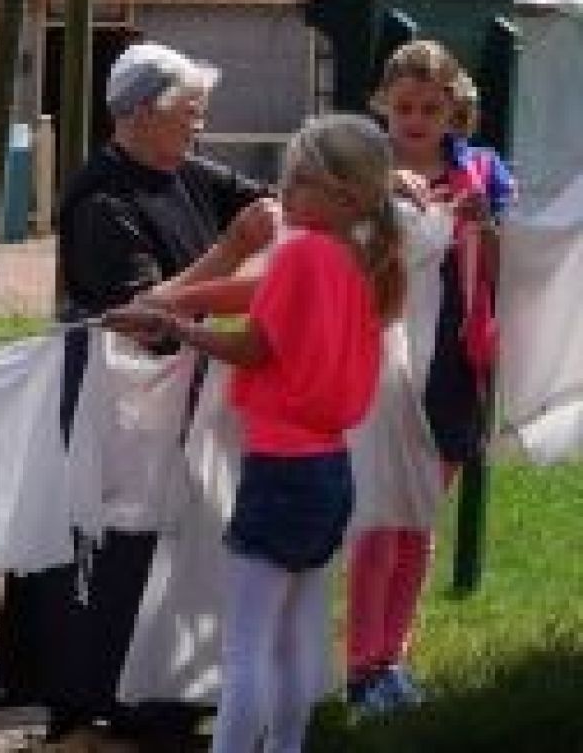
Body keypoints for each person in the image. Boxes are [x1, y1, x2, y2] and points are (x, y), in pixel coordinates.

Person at [0, 42, 272, 747]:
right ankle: (93, 702)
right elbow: (142, 317)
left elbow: (265, 199)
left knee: (170, 542)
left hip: (176, 400)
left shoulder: (184, 171)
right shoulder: (101, 199)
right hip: (108, 404)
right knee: (110, 546)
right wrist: (233, 253)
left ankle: (159, 692)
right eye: (187, 115)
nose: (197, 129)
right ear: (141, 113)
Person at [107, 113, 405, 753]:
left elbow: (254, 346)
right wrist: (173, 301)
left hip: (279, 472)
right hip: (331, 471)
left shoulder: (301, 255)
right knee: (297, 634)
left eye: (299, 182)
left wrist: (181, 330)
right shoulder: (356, 259)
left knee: (245, 649)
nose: (282, 191)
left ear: (342, 196)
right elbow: (256, 292)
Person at [346, 40, 513, 713]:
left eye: (430, 108)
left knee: (417, 518)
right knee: (379, 518)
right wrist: (374, 198)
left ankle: (393, 657)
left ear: (454, 111)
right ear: (383, 104)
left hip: (451, 363)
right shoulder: (359, 169)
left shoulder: (480, 171)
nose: (415, 120)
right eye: (403, 106)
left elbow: (506, 276)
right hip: (379, 362)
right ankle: (360, 663)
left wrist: (487, 225)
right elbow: (320, 246)